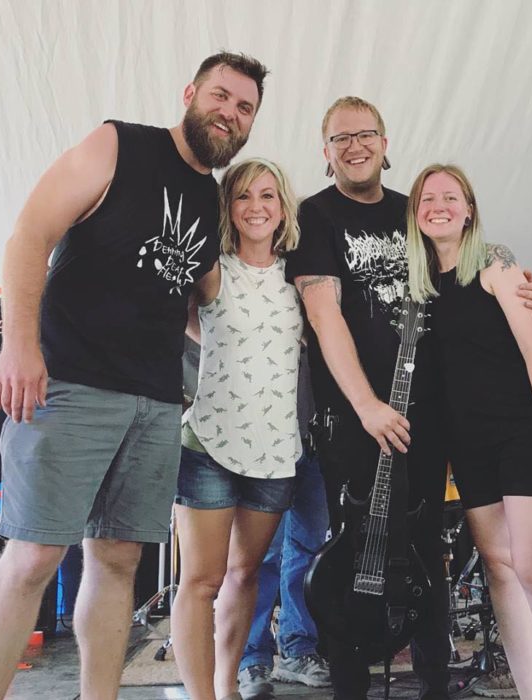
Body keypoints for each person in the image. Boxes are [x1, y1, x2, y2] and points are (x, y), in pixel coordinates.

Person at [0, 52, 268, 700]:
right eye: (220, 95)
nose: (230, 113)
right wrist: (18, 346)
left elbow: (194, 305)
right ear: (190, 93)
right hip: (69, 384)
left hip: (155, 403)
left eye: (245, 107)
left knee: (118, 560)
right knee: (34, 555)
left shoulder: (209, 198)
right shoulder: (118, 145)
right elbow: (29, 236)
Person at [285, 96, 532, 700]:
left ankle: (435, 681)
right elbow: (324, 316)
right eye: (341, 137)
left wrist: (525, 288)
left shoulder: (414, 215)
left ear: (385, 143)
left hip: (435, 419)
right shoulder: (315, 216)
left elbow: (473, 273)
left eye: (366, 134)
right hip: (355, 417)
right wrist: (366, 405)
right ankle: (349, 684)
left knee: (431, 546)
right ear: (326, 152)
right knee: (351, 549)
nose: (355, 146)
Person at [407, 163, 532, 700]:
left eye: (451, 197)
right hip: (466, 446)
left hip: (519, 433)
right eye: (428, 198)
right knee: (499, 569)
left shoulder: (495, 264)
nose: (439, 206)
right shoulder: (419, 286)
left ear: (468, 210)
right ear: (416, 213)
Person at [171, 157, 302, 700]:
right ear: (227, 207)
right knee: (200, 581)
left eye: (267, 195)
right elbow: (174, 315)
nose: (256, 207)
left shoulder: (300, 276)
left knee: (245, 574)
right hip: (207, 444)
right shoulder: (212, 269)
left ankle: (227, 687)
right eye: (243, 196)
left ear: (283, 208)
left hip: (276, 452)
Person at [237, 346, 330, 699]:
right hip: (264, 436)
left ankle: (298, 649)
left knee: (309, 551)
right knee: (261, 555)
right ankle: (251, 657)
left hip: (317, 435)